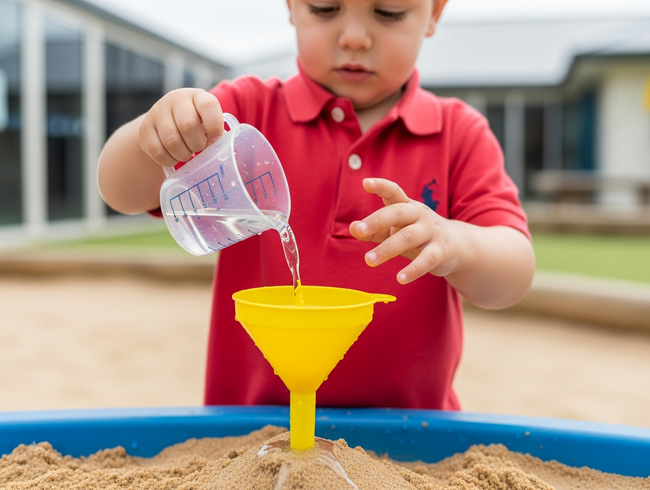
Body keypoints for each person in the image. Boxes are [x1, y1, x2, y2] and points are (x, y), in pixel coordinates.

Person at [97, 0, 535, 411]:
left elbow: (513, 275)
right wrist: (154, 136)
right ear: (291, 5)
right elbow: (119, 191)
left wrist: (458, 242)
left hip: (411, 443)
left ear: (434, 13)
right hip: (251, 435)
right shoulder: (244, 113)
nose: (354, 37)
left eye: (388, 12)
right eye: (325, 8)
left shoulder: (458, 134)